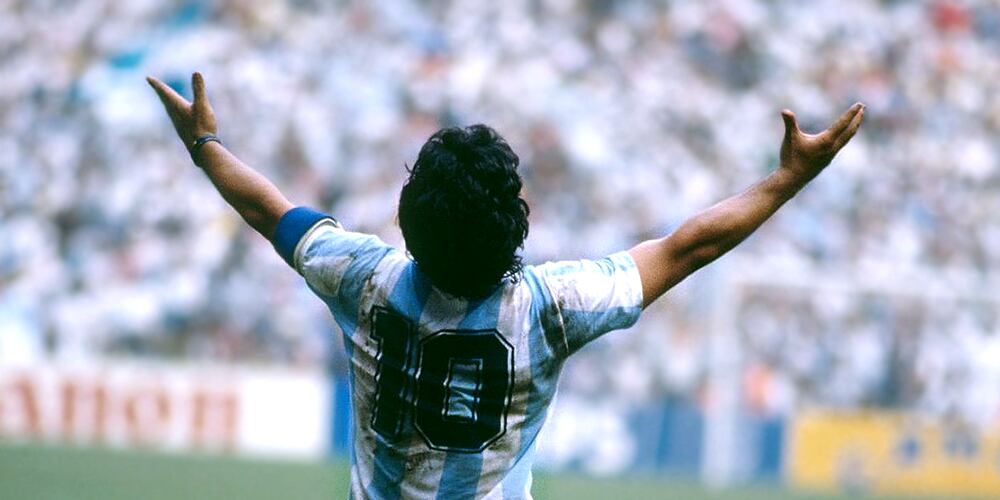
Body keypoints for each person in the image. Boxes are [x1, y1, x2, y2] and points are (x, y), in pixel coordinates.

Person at [148, 72, 863, 499]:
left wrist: (204, 145)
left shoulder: (361, 276)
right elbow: (690, 246)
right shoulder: (550, 308)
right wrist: (788, 178)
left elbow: (266, 209)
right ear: (515, 224)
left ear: (408, 216)